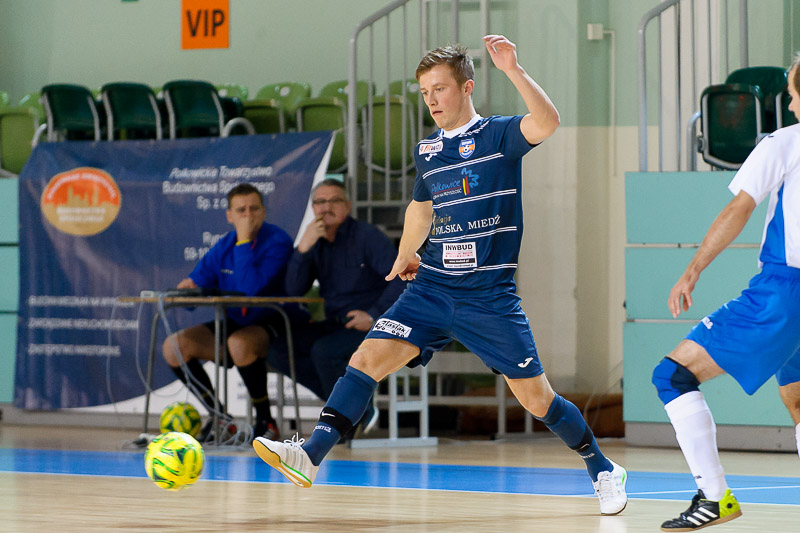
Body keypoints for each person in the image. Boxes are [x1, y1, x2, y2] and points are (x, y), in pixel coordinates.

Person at [253, 35, 628, 515]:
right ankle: (310, 455)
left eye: (440, 89)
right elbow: (420, 206)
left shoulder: (498, 136)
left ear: (466, 88)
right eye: (424, 92)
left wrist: (513, 69)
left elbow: (548, 122)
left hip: (488, 297)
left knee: (538, 401)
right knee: (366, 359)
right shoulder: (427, 150)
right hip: (431, 288)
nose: (431, 100)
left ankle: (601, 468)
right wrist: (407, 253)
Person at [652, 59, 800, 531]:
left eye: (794, 95)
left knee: (671, 375)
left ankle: (715, 498)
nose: (791, 104)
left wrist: (692, 270)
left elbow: (739, 208)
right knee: (797, 398)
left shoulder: (784, 143)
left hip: (784, 294)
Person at [162, 183, 324, 443]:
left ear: (263, 211)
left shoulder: (277, 241)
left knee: (238, 343)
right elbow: (196, 289)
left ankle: (265, 421)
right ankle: (221, 418)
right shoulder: (223, 246)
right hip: (236, 321)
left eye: (253, 209)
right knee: (174, 346)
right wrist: (188, 289)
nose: (248, 215)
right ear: (229, 215)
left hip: (276, 322)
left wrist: (245, 240)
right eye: (241, 210)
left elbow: (251, 288)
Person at [285, 178, 407, 435]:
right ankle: (354, 406)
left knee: (323, 352)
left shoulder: (367, 236)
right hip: (335, 324)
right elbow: (293, 290)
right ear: (313, 208)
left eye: (334, 201)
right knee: (279, 348)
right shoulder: (313, 240)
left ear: (347, 206)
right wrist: (303, 249)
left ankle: (342, 423)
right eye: (320, 202)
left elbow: (400, 278)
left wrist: (374, 316)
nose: (326, 207)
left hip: (370, 326)